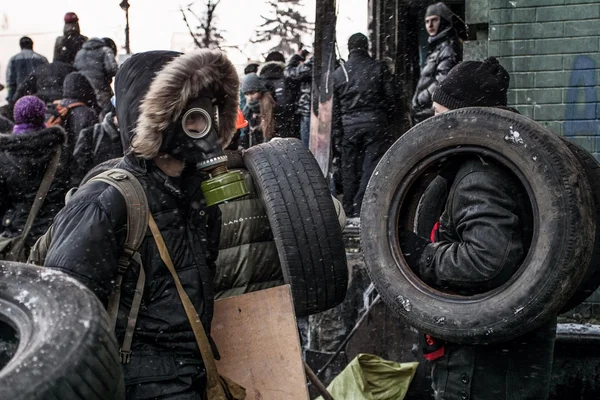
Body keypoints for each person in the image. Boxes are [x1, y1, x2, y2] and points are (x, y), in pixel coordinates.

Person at [45, 49, 239, 398]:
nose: (202, 129)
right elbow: (62, 322)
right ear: (154, 120)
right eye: (191, 116)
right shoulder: (106, 201)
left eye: (208, 114)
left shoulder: (196, 197)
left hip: (191, 376)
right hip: (138, 386)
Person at [399, 57, 556, 400]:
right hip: (507, 359)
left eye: (440, 115)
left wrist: (424, 256)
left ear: (466, 117)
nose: (433, 126)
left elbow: (490, 260)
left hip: (483, 369)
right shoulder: (510, 161)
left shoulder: (479, 175)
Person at [332, 33, 396, 222]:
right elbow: (391, 98)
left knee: (350, 168)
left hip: (349, 128)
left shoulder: (339, 73)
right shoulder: (378, 68)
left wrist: (338, 134)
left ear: (349, 48)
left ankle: (349, 206)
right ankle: (363, 206)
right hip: (375, 124)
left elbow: (335, 110)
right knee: (371, 166)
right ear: (366, 46)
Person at [0, 96, 69, 249]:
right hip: (54, 233)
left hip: (16, 232)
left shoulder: (5, 154)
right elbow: (71, 189)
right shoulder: (60, 151)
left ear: (15, 117)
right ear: (42, 115)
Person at [411, 2, 461, 124]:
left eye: (434, 20)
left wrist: (421, 99)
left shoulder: (447, 48)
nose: (430, 25)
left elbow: (442, 81)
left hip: (434, 111)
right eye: (427, 21)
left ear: (443, 21)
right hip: (429, 110)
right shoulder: (437, 48)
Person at [72, 106, 121, 182]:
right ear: (114, 115)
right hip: (96, 183)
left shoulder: (131, 135)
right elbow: (79, 167)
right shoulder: (90, 134)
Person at [259, 51, 298, 138]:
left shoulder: (260, 78)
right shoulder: (288, 77)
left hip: (265, 122)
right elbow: (293, 99)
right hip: (286, 121)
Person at [74, 37, 119, 111]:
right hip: (100, 89)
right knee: (106, 112)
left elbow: (75, 70)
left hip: (83, 90)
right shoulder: (106, 50)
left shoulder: (80, 53)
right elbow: (113, 69)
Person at [5, 37, 48, 103]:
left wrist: (11, 98)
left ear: (20, 46)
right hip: (38, 95)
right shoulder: (42, 58)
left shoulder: (13, 59)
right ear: (32, 45)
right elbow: (47, 77)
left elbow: (10, 81)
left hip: (20, 96)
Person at [285, 49, 313, 147]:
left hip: (308, 110)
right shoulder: (334, 63)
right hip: (320, 110)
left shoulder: (314, 62)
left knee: (307, 147)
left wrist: (296, 56)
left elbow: (289, 72)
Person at [241, 73, 275, 148]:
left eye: (252, 93)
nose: (249, 98)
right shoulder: (248, 110)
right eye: (246, 94)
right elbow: (245, 133)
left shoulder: (273, 108)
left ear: (261, 91)